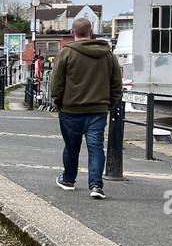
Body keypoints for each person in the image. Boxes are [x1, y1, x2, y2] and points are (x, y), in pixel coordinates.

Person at [51, 18, 121, 199]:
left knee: (71, 147)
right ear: (91, 32)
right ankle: (96, 185)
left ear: (73, 33)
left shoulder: (66, 53)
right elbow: (116, 84)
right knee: (96, 147)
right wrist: (109, 103)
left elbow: (57, 83)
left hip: (70, 109)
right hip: (98, 110)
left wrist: (58, 103)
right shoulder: (108, 55)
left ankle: (68, 179)